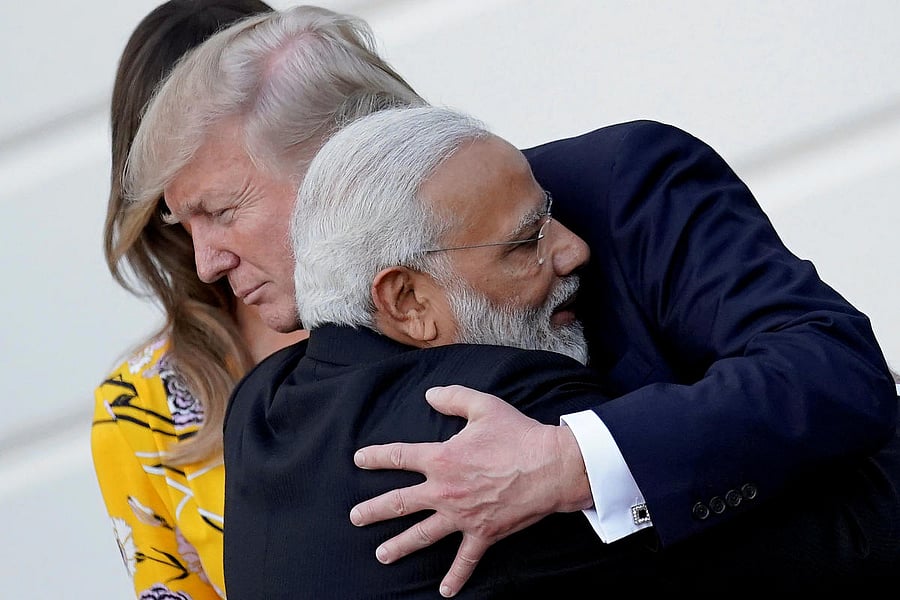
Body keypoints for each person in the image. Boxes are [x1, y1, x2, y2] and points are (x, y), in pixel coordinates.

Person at [123, 5, 898, 597]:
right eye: (183, 224)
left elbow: (832, 367)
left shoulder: (622, 188)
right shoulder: (278, 409)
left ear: (344, 156)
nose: (205, 261)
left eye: (221, 210)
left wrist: (574, 462)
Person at [89, 2, 309, 598]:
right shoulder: (140, 404)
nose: (208, 251)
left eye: (222, 201)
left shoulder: (446, 286)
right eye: (181, 208)